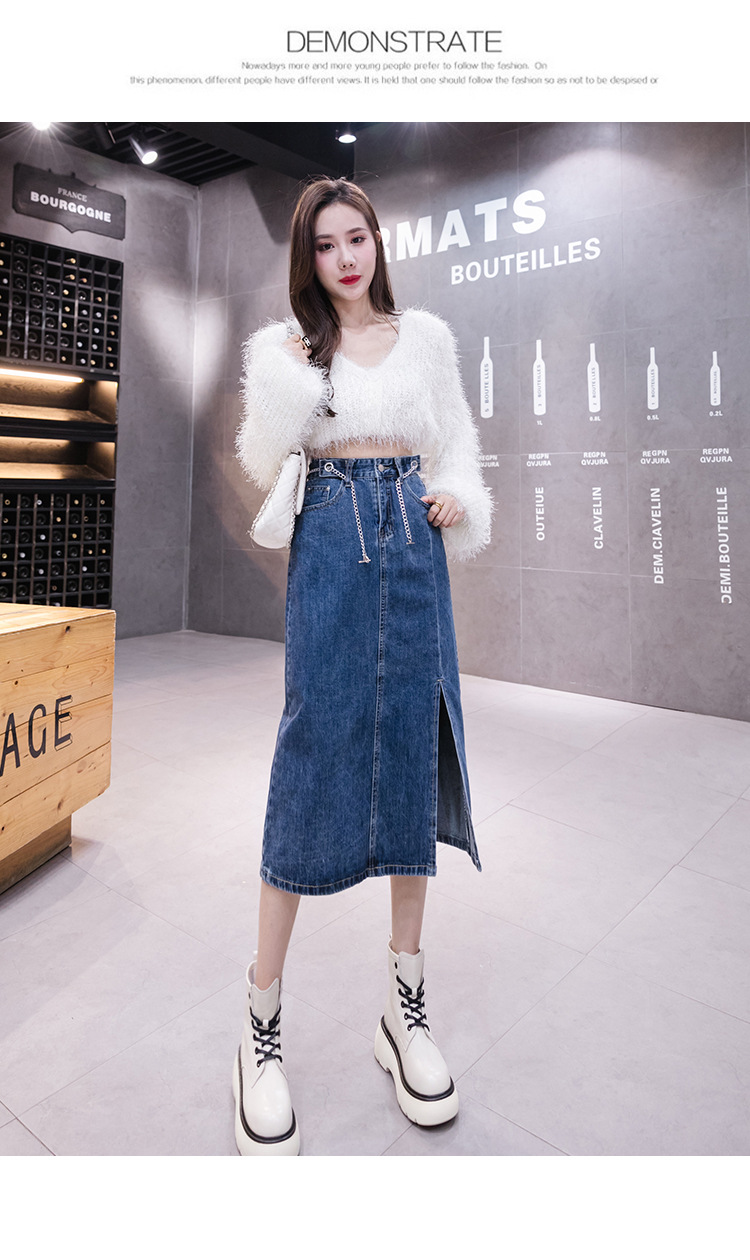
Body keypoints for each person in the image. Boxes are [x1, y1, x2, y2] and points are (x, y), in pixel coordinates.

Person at [233, 175, 493, 1156]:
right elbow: (264, 459)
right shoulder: (289, 349)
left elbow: (457, 447)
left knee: (411, 751)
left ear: (378, 242)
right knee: (312, 755)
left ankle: (403, 1008)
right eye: (326, 245)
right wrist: (297, 377)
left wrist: (458, 495)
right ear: (308, 259)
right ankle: (259, 1023)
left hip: (414, 542)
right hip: (331, 536)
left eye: (358, 238)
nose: (345, 258)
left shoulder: (425, 339)